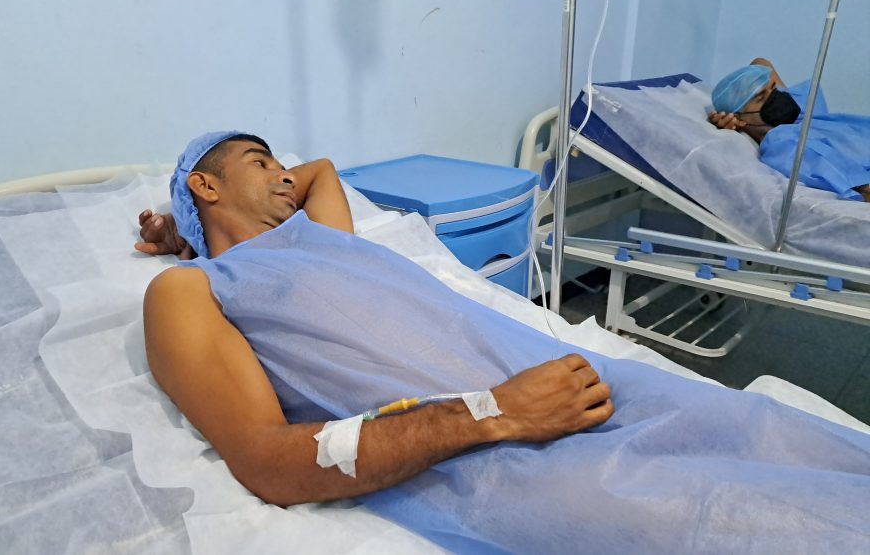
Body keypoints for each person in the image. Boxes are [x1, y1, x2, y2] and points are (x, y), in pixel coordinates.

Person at [140, 131, 870, 552]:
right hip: (493, 451)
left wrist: (190, 222)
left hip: (578, 379)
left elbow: (321, 171)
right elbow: (265, 460)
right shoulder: (194, 289)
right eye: (260, 161)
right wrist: (497, 412)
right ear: (208, 183)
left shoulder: (321, 233)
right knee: (746, 524)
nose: (283, 174)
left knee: (763, 427)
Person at [709, 57, 870, 203]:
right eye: (762, 97)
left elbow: (761, 62)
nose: (776, 96)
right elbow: (844, 177)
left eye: (773, 89)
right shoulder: (781, 141)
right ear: (739, 118)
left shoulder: (803, 114)